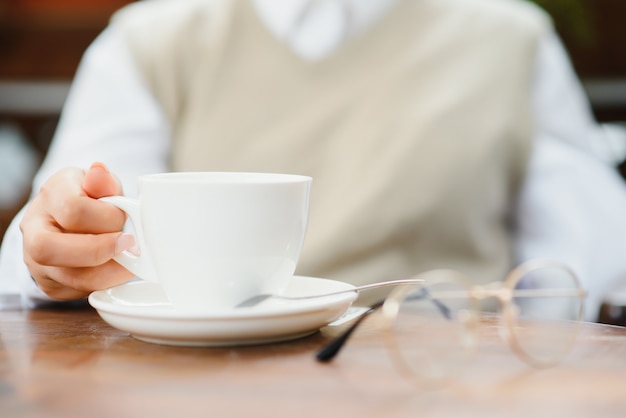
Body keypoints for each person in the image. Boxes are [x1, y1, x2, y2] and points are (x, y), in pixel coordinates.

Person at [1, 0, 626, 320]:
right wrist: (51, 258)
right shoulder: (152, 40)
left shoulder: (509, 40)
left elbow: (594, 261)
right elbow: (33, 253)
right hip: (199, 391)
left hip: (444, 384)